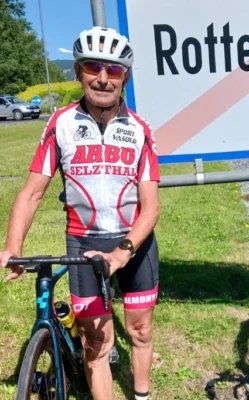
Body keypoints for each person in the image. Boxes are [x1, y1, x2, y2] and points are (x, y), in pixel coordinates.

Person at [0, 26, 160, 400]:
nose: (103, 78)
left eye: (114, 70)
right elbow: (32, 193)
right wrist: (12, 246)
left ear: (126, 77)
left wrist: (123, 251)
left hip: (132, 244)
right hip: (83, 242)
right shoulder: (62, 125)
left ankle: (141, 395)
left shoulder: (140, 130)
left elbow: (151, 207)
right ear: (78, 73)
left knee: (139, 331)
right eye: (93, 67)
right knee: (96, 341)